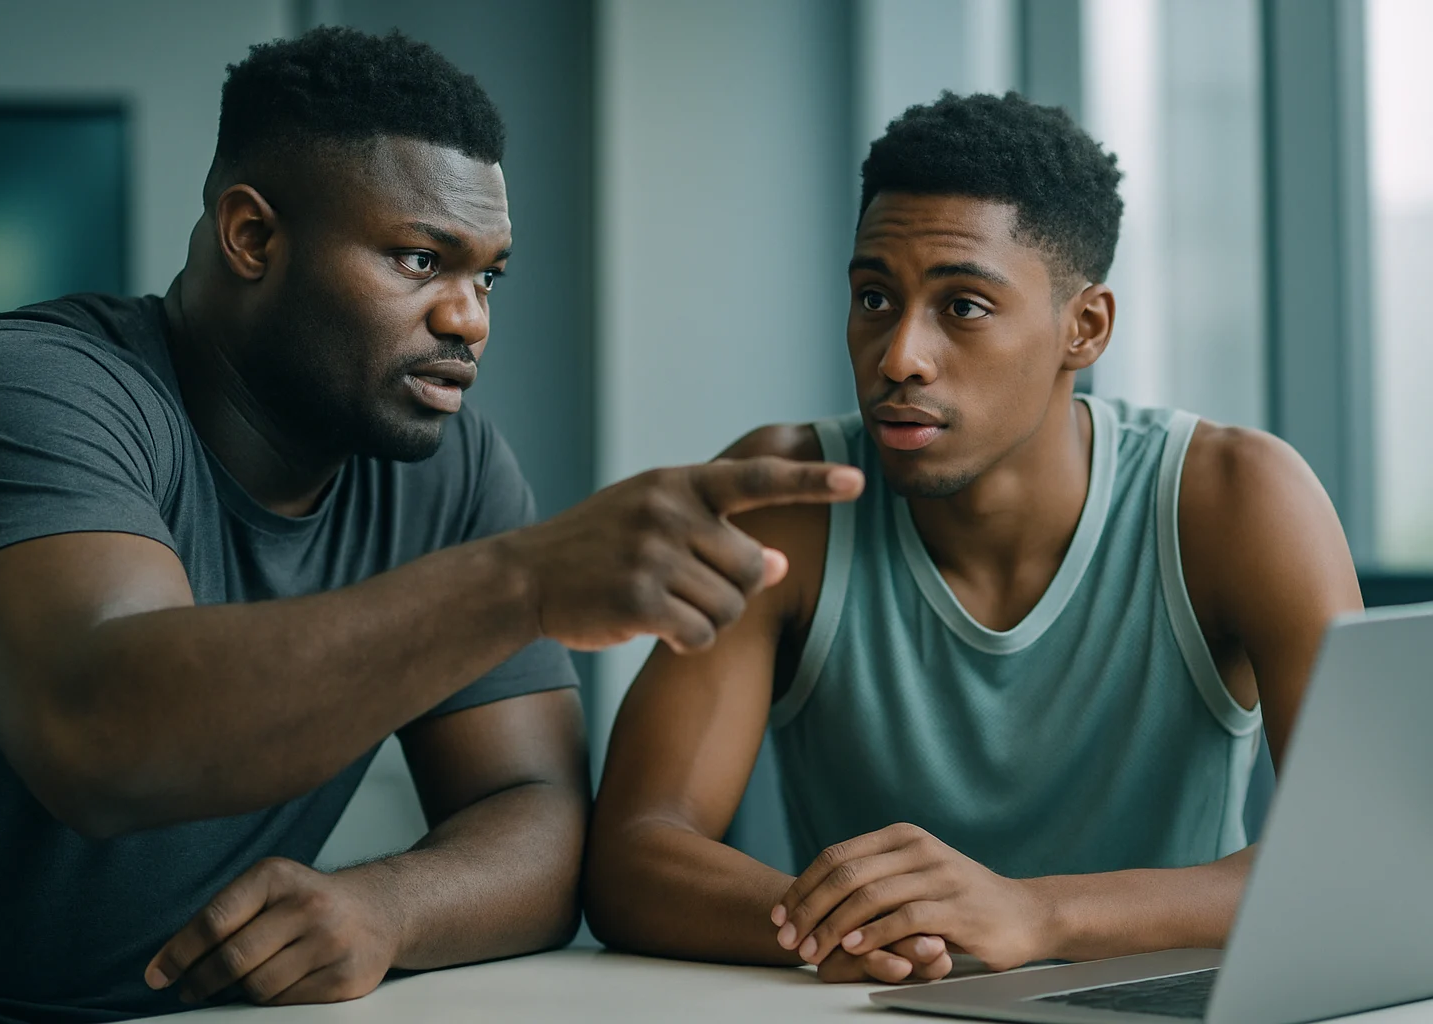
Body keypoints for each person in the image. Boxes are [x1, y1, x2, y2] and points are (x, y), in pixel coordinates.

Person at [0, 28, 862, 1024]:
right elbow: (101, 736)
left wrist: (388, 906)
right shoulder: (23, 390)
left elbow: (538, 816)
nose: (470, 320)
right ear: (253, 237)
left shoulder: (450, 467)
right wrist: (524, 581)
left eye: (487, 276)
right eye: (419, 259)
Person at [584, 91, 1364, 985]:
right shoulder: (787, 501)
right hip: (880, 1006)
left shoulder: (1236, 500)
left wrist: (1035, 913)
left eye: (963, 307)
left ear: (1086, 327)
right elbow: (636, 854)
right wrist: (863, 932)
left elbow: (1354, 859)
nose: (899, 356)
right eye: (875, 296)